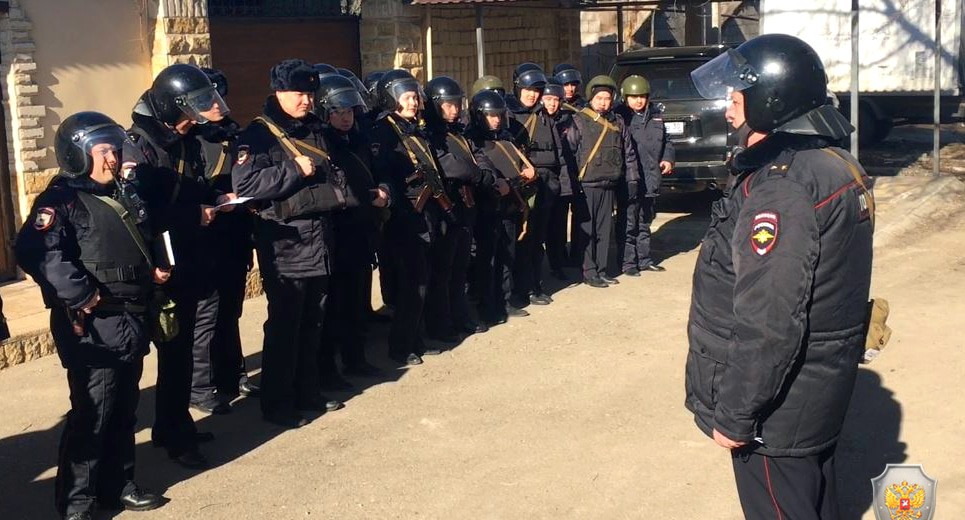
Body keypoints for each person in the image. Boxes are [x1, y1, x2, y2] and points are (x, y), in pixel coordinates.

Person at [685, 33, 873, 520]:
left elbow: (769, 320)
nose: (730, 105)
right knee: (815, 500)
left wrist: (736, 414)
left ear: (772, 100)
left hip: (777, 413)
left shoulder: (782, 189)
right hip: (813, 393)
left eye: (740, 93)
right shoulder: (830, 163)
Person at [15, 111, 164, 519]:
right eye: (102, 152)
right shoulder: (60, 200)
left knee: (124, 409)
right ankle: (77, 503)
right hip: (92, 325)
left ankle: (118, 485)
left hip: (131, 317)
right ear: (78, 155)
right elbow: (35, 251)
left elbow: (139, 238)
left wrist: (154, 269)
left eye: (114, 150)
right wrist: (80, 292)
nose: (112, 158)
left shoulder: (121, 192)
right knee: (92, 414)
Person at [233, 58, 348, 428]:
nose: (307, 100)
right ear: (279, 92)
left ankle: (307, 392)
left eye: (311, 93)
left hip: (320, 238)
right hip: (286, 243)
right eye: (299, 93)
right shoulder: (259, 135)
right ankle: (278, 403)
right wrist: (294, 169)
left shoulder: (315, 128)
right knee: (285, 326)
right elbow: (246, 185)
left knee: (313, 322)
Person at [125, 63, 226, 468]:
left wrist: (215, 200)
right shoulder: (139, 146)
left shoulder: (184, 140)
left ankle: (172, 424)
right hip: (159, 266)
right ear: (172, 106)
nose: (200, 112)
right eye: (193, 105)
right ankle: (174, 436)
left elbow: (189, 189)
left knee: (181, 352)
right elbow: (139, 212)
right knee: (171, 350)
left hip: (190, 257)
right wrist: (193, 215)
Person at [314, 73, 387, 385]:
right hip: (336, 234)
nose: (346, 118)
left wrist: (384, 191)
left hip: (361, 231)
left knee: (357, 302)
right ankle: (328, 370)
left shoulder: (358, 140)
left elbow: (377, 173)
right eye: (338, 112)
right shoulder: (321, 145)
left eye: (349, 112)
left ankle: (356, 359)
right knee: (334, 307)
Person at [193, 67, 259, 408]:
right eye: (209, 99)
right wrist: (214, 199)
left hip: (234, 236)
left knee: (230, 312)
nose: (217, 104)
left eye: (220, 95)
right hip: (204, 239)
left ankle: (233, 375)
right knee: (206, 316)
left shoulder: (234, 135)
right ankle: (201, 388)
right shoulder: (189, 142)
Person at [369, 69, 443, 365]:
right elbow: (384, 173)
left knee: (422, 280)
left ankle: (414, 338)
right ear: (392, 98)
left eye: (415, 97)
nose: (414, 102)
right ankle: (401, 346)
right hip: (403, 217)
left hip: (423, 214)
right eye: (408, 97)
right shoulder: (384, 131)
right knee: (412, 283)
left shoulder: (413, 128)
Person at [423, 76, 489, 338]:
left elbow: (478, 157)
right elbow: (450, 165)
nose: (454, 109)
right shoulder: (430, 134)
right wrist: (476, 173)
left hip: (466, 204)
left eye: (457, 104)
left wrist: (482, 173)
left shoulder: (460, 132)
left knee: (460, 266)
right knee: (443, 270)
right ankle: (440, 323)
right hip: (446, 207)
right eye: (448, 105)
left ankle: (460, 315)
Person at [466, 90, 537, 324]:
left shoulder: (506, 138)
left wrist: (523, 174)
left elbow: (514, 168)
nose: (496, 119)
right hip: (487, 210)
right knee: (488, 261)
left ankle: (504, 301)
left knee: (507, 256)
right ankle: (487, 306)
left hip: (508, 207)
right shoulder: (472, 142)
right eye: (490, 115)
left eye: (499, 114)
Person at [565, 75, 639, 288]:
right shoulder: (579, 120)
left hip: (609, 183)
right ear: (591, 98)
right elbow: (569, 153)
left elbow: (628, 153)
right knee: (587, 231)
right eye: (599, 98)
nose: (603, 102)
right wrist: (572, 184)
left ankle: (602, 269)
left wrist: (632, 179)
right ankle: (589, 271)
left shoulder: (618, 122)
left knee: (604, 230)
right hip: (586, 186)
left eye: (607, 98)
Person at [506, 67, 566, 307]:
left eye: (536, 91)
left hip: (546, 184)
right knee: (521, 240)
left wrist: (559, 183)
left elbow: (558, 151)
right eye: (528, 90)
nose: (532, 95)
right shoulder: (509, 115)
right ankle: (519, 289)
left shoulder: (544, 116)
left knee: (537, 239)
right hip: (522, 186)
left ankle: (534, 285)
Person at [615, 74, 675, 276]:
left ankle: (644, 259)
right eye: (634, 97)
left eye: (642, 96)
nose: (639, 101)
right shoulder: (621, 118)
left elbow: (667, 140)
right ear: (625, 97)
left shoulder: (656, 115)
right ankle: (627, 262)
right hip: (631, 178)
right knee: (628, 222)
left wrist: (668, 158)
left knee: (645, 221)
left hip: (651, 177)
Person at [541, 82, 578, 282]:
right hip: (543, 183)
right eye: (548, 99)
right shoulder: (537, 121)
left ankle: (557, 264)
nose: (552, 104)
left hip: (563, 181)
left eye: (556, 100)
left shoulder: (568, 120)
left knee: (558, 227)